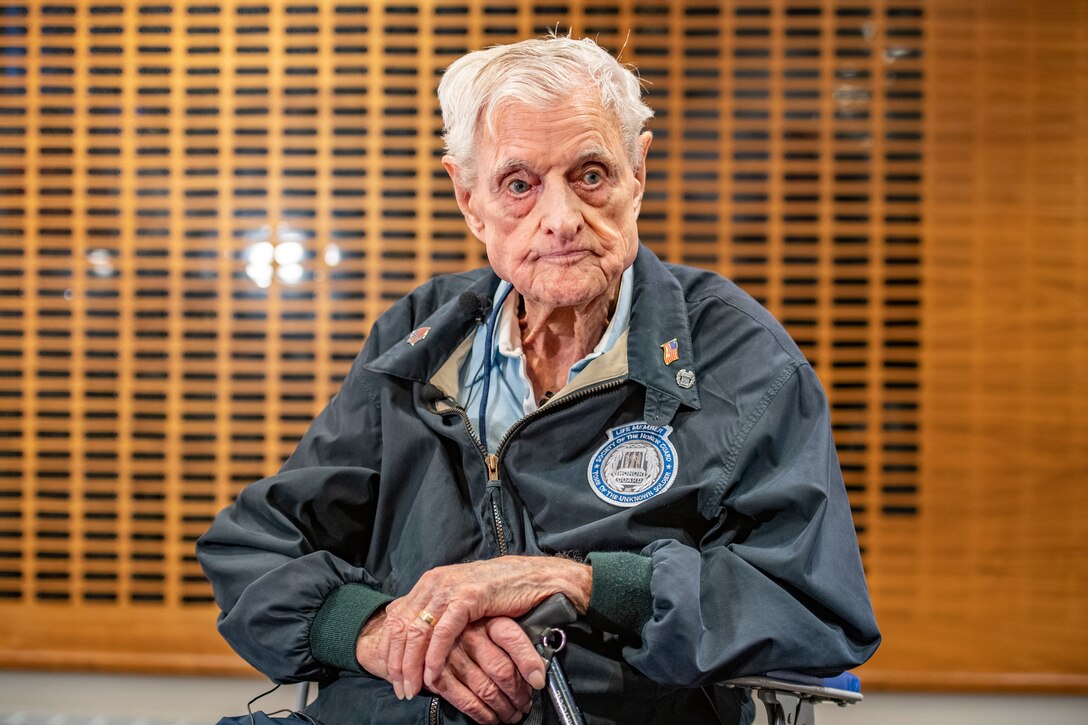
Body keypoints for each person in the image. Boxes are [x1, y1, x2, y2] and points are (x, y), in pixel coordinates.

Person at [197, 35, 880, 725]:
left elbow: (813, 605)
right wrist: (376, 630)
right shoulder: (420, 339)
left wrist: (578, 581)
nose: (559, 221)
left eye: (590, 174)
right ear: (470, 200)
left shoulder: (741, 357)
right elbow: (253, 546)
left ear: (637, 172)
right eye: (519, 184)